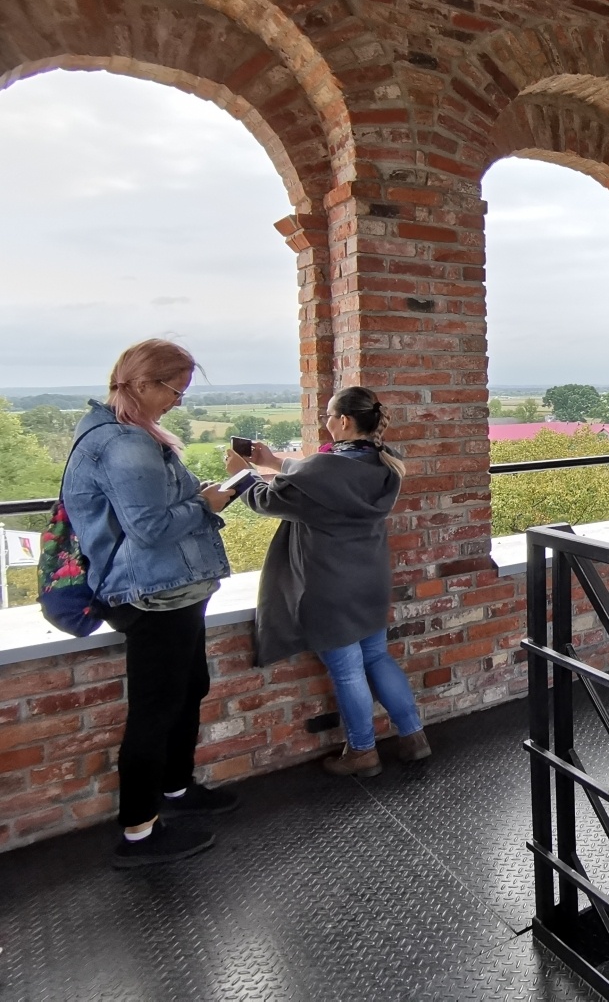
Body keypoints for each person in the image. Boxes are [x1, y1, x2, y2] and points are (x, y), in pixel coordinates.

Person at [62, 339, 237, 869]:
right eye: (174, 390)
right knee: (156, 709)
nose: (178, 402)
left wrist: (196, 498)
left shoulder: (122, 432)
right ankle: (138, 831)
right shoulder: (126, 444)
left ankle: (176, 789)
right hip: (154, 594)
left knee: (188, 689)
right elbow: (149, 527)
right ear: (142, 383)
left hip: (172, 590)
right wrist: (207, 504)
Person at [228, 387, 429, 776]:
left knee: (348, 670)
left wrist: (241, 475)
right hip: (370, 579)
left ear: (344, 421)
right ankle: (413, 736)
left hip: (328, 584)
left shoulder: (324, 471)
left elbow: (271, 500)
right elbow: (318, 474)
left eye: (328, 415)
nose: (324, 421)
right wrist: (272, 461)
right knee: (377, 657)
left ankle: (363, 752)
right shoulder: (385, 462)